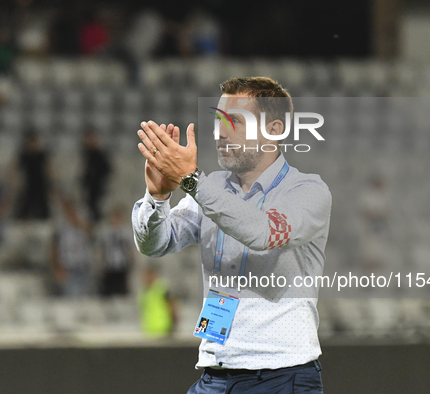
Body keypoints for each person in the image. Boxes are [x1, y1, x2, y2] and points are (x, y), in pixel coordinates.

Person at [132, 77, 331, 393]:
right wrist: (157, 198)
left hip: (281, 376)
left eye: (234, 121)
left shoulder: (307, 192)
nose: (220, 132)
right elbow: (155, 244)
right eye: (218, 120)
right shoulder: (213, 187)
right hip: (215, 374)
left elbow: (262, 231)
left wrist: (191, 180)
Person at [50, 198, 93, 298]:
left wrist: (76, 221)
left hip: (83, 268)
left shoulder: (82, 224)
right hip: (67, 269)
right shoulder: (60, 229)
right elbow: (53, 250)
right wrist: (57, 269)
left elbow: (91, 234)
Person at [97, 205, 134, 297]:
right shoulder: (106, 233)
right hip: (109, 267)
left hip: (122, 266)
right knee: (108, 292)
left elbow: (130, 250)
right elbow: (103, 249)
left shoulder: (126, 233)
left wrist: (132, 263)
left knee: (122, 292)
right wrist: (101, 264)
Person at [16, 130, 51, 220]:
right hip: (29, 182)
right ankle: (23, 219)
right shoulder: (25, 155)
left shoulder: (42, 155)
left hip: (41, 182)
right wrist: (18, 182)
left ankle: (45, 219)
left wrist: (51, 181)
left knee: (43, 203)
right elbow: (17, 169)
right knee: (26, 203)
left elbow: (48, 168)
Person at [81, 127, 112, 221]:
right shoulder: (84, 154)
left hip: (98, 191)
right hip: (87, 191)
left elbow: (107, 171)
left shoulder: (100, 155)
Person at [139, 265, 177, 337]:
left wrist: (174, 323)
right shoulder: (144, 293)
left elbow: (172, 305)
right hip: (149, 331)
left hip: (164, 329)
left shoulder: (162, 289)